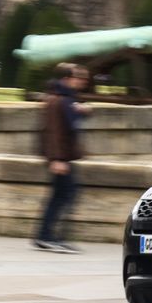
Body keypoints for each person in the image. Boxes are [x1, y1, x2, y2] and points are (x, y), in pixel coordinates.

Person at [33, 63, 90, 253]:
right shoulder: (59, 100)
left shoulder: (62, 98)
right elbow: (54, 132)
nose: (80, 80)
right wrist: (57, 159)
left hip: (62, 157)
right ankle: (50, 236)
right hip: (61, 158)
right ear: (66, 79)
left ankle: (45, 235)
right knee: (66, 195)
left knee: (60, 196)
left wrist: (79, 111)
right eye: (77, 77)